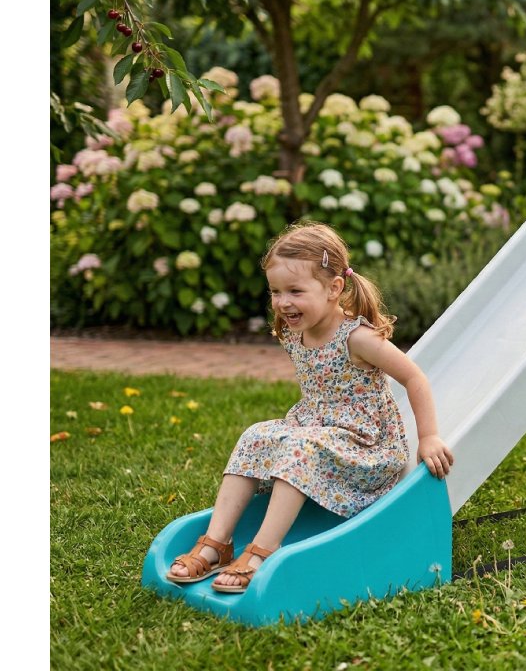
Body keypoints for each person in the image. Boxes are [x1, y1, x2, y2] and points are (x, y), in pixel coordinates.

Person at [166, 220, 454, 593]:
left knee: (301, 448)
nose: (283, 302)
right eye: (276, 291)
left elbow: (414, 377)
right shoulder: (294, 331)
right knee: (255, 435)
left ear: (334, 288)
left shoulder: (357, 338)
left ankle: (262, 552)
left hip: (365, 449)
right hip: (315, 431)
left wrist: (428, 436)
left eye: (295, 291)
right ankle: (217, 543)